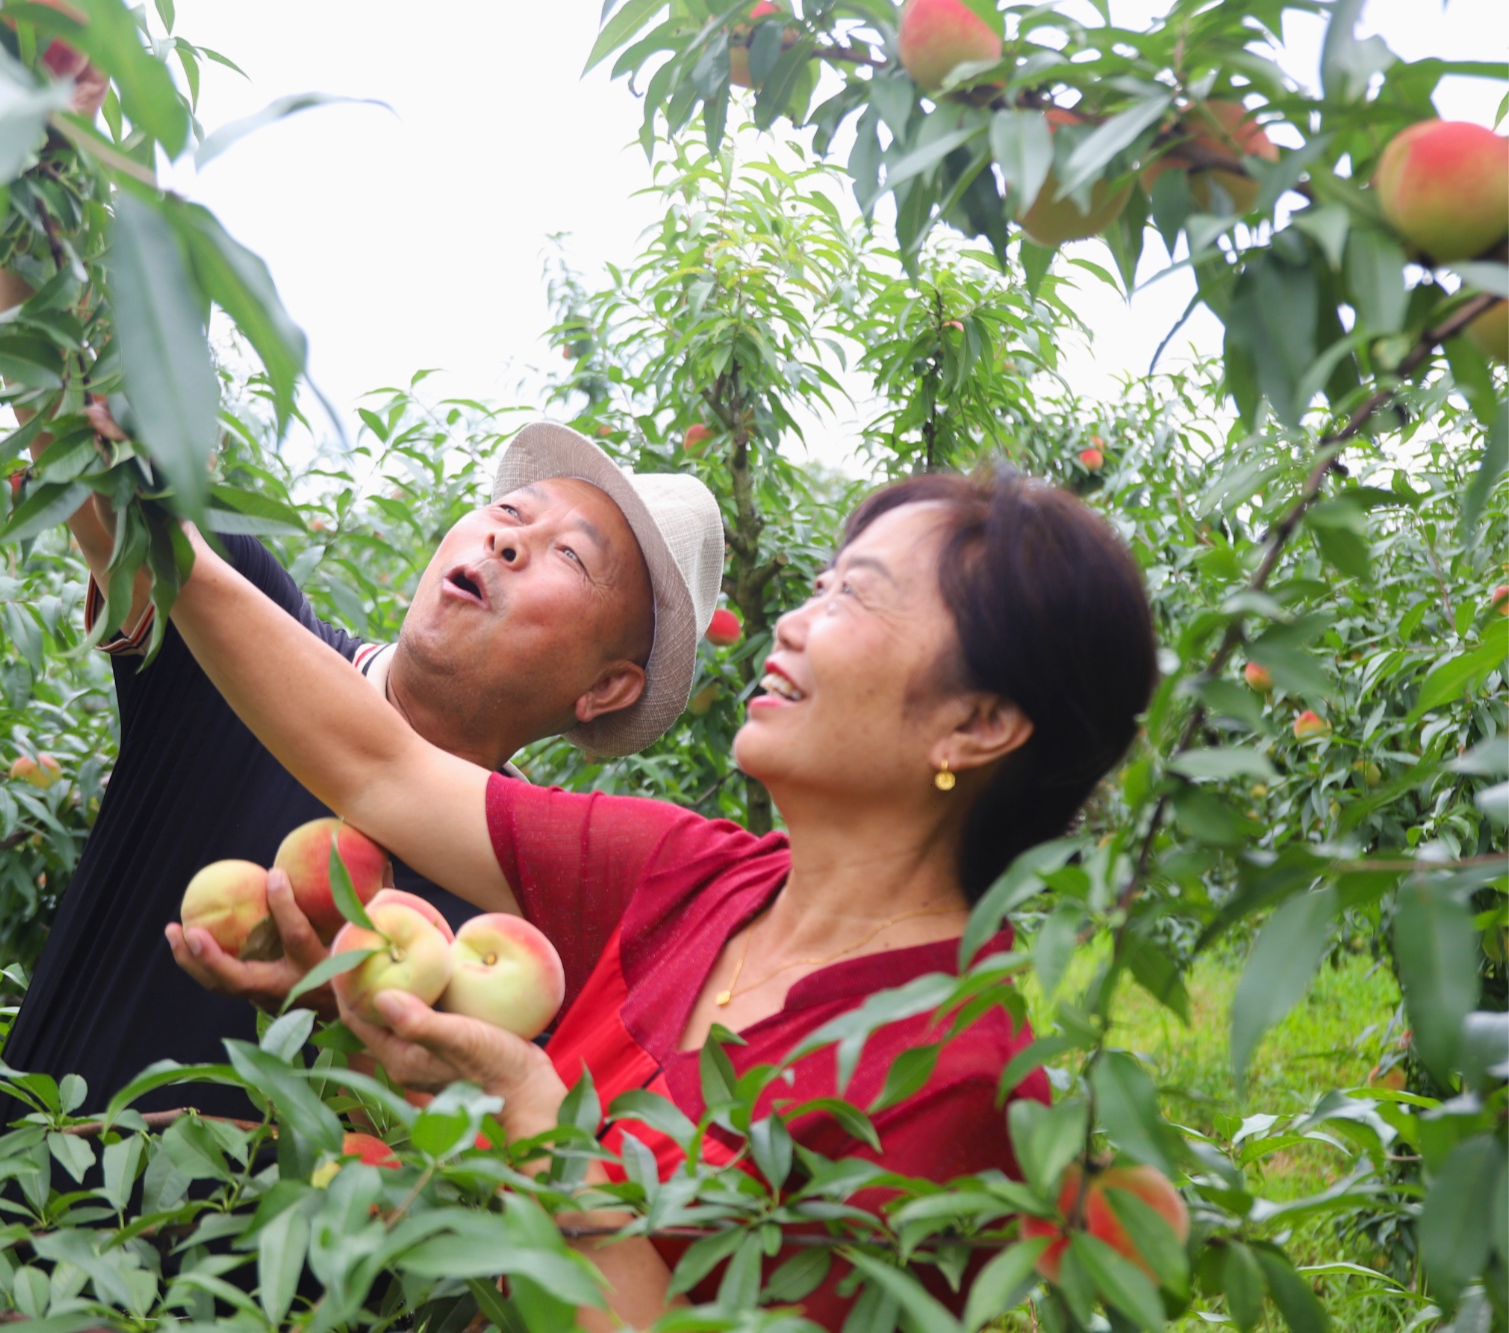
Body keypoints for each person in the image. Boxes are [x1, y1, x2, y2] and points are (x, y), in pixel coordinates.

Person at [161, 468, 1158, 1327]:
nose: (795, 622)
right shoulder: (698, 876)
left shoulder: (956, 1079)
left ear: (976, 723)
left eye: (854, 597)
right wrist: (151, 532)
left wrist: (526, 1103)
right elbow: (376, 766)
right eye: (815, 585)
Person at [0, 420, 724, 1140]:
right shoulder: (244, 632)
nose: (507, 539)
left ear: (607, 688)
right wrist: (88, 328)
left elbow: (465, 1173)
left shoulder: (531, 919)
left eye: (569, 555)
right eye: (508, 511)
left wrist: (358, 1039)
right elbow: (79, 429)